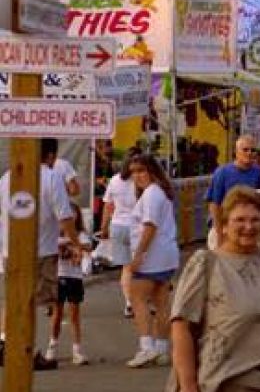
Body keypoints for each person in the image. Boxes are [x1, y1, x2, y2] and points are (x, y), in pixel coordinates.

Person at [171, 186, 260, 391]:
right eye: (240, 220)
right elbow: (181, 328)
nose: (248, 226)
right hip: (226, 383)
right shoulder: (207, 264)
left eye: (255, 219)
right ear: (224, 225)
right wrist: (189, 386)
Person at [0, 137, 80, 370]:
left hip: (10, 249)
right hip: (42, 250)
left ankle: (4, 342)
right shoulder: (52, 177)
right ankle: (30, 351)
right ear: (51, 155)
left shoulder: (7, 177)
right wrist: (76, 244)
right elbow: (65, 216)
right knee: (33, 303)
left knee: (13, 299)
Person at [125, 154, 181, 368]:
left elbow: (150, 226)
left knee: (137, 298)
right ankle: (161, 348)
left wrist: (139, 254)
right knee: (161, 302)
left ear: (151, 171)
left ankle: (146, 346)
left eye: (141, 171)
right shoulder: (161, 193)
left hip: (152, 256)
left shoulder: (151, 195)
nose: (137, 176)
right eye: (133, 173)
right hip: (166, 254)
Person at [45, 201, 92, 366]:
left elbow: (86, 248)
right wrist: (67, 246)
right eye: (67, 214)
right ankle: (52, 347)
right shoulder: (54, 236)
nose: (71, 217)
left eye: (74, 214)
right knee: (57, 314)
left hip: (74, 278)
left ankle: (77, 350)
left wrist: (76, 249)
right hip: (58, 277)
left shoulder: (80, 235)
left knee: (74, 315)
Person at [100, 148, 140, 318]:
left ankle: (129, 303)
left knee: (126, 268)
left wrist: (104, 228)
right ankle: (143, 301)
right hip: (137, 227)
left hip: (117, 226)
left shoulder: (115, 181)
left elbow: (108, 206)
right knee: (140, 266)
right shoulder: (140, 181)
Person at [206, 135, 260, 249]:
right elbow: (214, 205)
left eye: (253, 150)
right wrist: (220, 234)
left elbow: (257, 200)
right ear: (236, 152)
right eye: (245, 149)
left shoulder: (257, 172)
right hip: (224, 227)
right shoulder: (222, 172)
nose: (249, 153)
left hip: (246, 228)